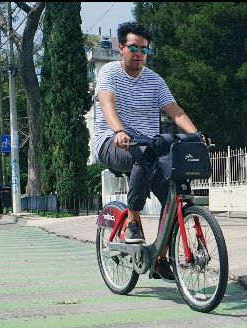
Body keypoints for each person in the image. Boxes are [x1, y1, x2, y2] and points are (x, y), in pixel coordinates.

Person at [93, 21, 208, 282]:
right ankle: (133, 222)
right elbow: (106, 103)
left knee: (172, 189)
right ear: (121, 47)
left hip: (150, 146)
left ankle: (160, 258)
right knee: (141, 155)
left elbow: (175, 111)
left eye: (144, 50)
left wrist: (196, 135)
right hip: (112, 142)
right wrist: (119, 131)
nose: (139, 54)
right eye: (133, 48)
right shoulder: (109, 73)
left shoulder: (155, 80)